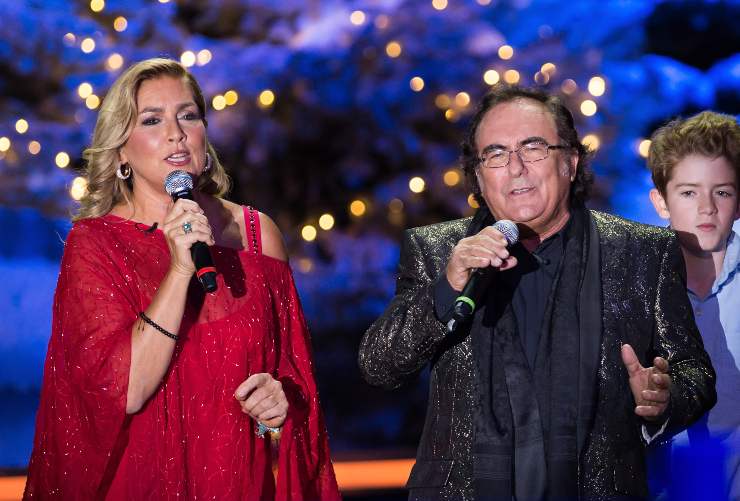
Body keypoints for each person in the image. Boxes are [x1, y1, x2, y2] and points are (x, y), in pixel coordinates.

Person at [359, 84, 716, 500]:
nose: (516, 168)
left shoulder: (643, 251)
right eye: (495, 154)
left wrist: (664, 397)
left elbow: (696, 373)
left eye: (533, 148)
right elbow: (379, 365)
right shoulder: (437, 250)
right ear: (479, 175)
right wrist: (449, 285)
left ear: (570, 162)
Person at [24, 58, 340, 501]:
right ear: (121, 152)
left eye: (188, 116)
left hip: (237, 484)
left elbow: (295, 380)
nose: (176, 132)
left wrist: (278, 403)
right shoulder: (95, 245)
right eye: (152, 120)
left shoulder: (257, 236)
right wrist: (178, 270)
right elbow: (126, 391)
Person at [647, 111, 740, 500]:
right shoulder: (634, 285)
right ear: (661, 202)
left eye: (722, 192)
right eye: (688, 192)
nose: (707, 208)